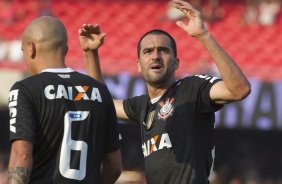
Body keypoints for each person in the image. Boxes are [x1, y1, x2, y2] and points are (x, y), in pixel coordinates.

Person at [79, 0, 251, 183]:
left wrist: (204, 35)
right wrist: (90, 54)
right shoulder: (141, 106)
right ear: (138, 65)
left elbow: (239, 89)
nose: (155, 56)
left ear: (176, 63)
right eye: (148, 51)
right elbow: (103, 105)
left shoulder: (192, 89)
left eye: (163, 50)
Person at [8, 16, 122, 184]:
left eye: (23, 51)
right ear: (66, 49)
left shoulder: (24, 90)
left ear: (30, 48)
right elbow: (114, 167)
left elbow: (22, 156)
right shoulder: (100, 91)